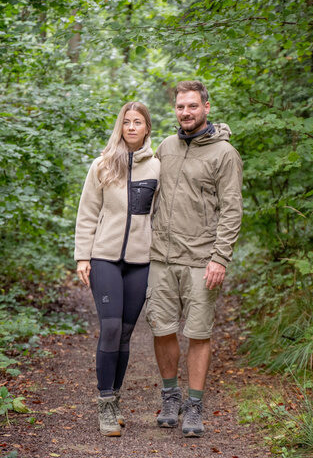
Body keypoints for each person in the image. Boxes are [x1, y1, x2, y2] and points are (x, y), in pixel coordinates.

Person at [146, 81, 243, 437]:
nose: (185, 112)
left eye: (191, 106)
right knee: (162, 328)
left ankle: (195, 404)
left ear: (206, 107)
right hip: (161, 256)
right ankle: (170, 396)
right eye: (180, 107)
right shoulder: (166, 147)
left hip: (202, 258)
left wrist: (220, 257)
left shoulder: (224, 154)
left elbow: (232, 211)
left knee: (199, 333)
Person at [74, 102, 160, 437]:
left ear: (147, 127)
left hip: (141, 261)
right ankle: (105, 403)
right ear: (120, 127)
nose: (132, 127)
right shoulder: (102, 165)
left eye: (138, 122)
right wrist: (84, 256)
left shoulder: (156, 167)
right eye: (127, 122)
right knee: (110, 328)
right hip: (105, 258)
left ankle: (116, 398)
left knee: (125, 333)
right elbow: (87, 213)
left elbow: (163, 213)